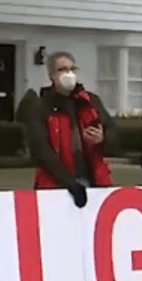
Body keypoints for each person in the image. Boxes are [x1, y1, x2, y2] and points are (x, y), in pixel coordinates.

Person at [28, 51, 116, 208]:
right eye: (61, 69)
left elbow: (115, 133)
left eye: (72, 69)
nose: (68, 74)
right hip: (55, 184)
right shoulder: (41, 106)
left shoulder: (90, 101)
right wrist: (69, 182)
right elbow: (40, 149)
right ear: (51, 76)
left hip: (94, 180)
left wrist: (103, 138)